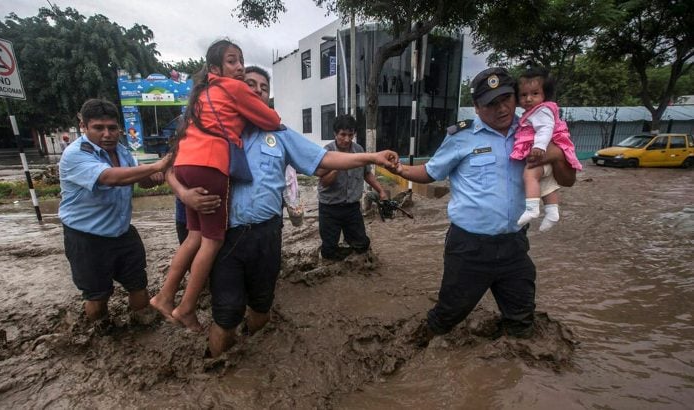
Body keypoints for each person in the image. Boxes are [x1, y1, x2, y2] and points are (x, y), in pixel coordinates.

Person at [171, 66, 398, 357]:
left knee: (262, 305)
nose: (256, 90)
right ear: (233, 90)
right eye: (248, 84)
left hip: (267, 235)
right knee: (226, 314)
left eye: (263, 87)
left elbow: (322, 159)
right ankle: (217, 368)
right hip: (224, 237)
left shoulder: (279, 133)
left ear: (268, 97)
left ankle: (259, 362)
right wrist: (183, 194)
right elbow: (173, 167)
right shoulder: (210, 127)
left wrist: (371, 156)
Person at [387, 67, 576, 341]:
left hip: (514, 245)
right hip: (469, 248)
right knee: (447, 317)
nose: (501, 109)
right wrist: (400, 170)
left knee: (523, 321)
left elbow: (567, 180)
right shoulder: (460, 137)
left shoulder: (533, 132)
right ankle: (411, 346)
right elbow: (430, 172)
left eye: (506, 99)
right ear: (476, 108)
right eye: (491, 104)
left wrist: (556, 153)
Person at [155, 40, 281, 331]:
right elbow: (271, 119)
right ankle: (185, 307)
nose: (238, 68)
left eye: (241, 61)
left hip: (187, 167)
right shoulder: (234, 89)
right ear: (215, 68)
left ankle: (164, 295)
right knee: (213, 242)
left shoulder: (200, 97)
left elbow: (171, 162)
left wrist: (185, 193)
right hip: (210, 167)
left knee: (194, 238)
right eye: (233, 62)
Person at [58, 99, 171, 322]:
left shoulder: (122, 151)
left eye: (112, 128)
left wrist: (154, 177)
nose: (107, 134)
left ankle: (143, 329)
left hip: (122, 232)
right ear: (84, 127)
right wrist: (158, 165)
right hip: (87, 239)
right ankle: (99, 337)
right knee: (97, 297)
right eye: (98, 128)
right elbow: (109, 178)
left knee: (139, 287)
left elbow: (139, 180)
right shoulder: (75, 154)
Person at [511, 66, 583, 231]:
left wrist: (540, 147)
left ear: (545, 94)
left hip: (539, 152)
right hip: (544, 155)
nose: (528, 98)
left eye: (534, 93)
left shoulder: (541, 111)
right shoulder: (532, 113)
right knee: (547, 184)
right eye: (523, 95)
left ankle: (532, 209)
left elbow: (545, 129)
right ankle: (552, 212)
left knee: (530, 175)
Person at [315, 114, 387, 261]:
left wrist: (381, 191)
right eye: (343, 135)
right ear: (335, 134)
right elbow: (324, 182)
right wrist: (337, 166)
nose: (347, 139)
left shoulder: (359, 150)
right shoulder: (326, 153)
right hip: (329, 208)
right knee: (329, 252)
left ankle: (351, 265)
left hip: (352, 207)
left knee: (362, 245)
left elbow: (367, 174)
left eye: (350, 135)